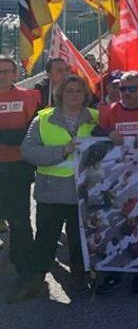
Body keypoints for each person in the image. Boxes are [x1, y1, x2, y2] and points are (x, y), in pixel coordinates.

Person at [15, 76, 99, 301]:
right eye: (69, 90)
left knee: (80, 238)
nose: (74, 95)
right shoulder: (43, 119)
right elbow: (29, 152)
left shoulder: (96, 119)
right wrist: (62, 150)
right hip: (51, 193)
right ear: (60, 94)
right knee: (45, 239)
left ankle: (80, 276)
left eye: (79, 91)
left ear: (85, 95)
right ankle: (36, 280)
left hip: (83, 194)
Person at [94, 70, 138, 295]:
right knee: (118, 224)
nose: (126, 93)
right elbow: (95, 138)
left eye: (132, 89)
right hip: (118, 180)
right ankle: (115, 271)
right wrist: (106, 133)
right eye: (122, 88)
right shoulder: (108, 111)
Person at [0, 56, 41, 303]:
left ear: (16, 74)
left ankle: (26, 273)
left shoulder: (28, 97)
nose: (2, 75)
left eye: (6, 71)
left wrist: (10, 135)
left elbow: (33, 131)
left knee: (19, 221)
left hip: (18, 167)